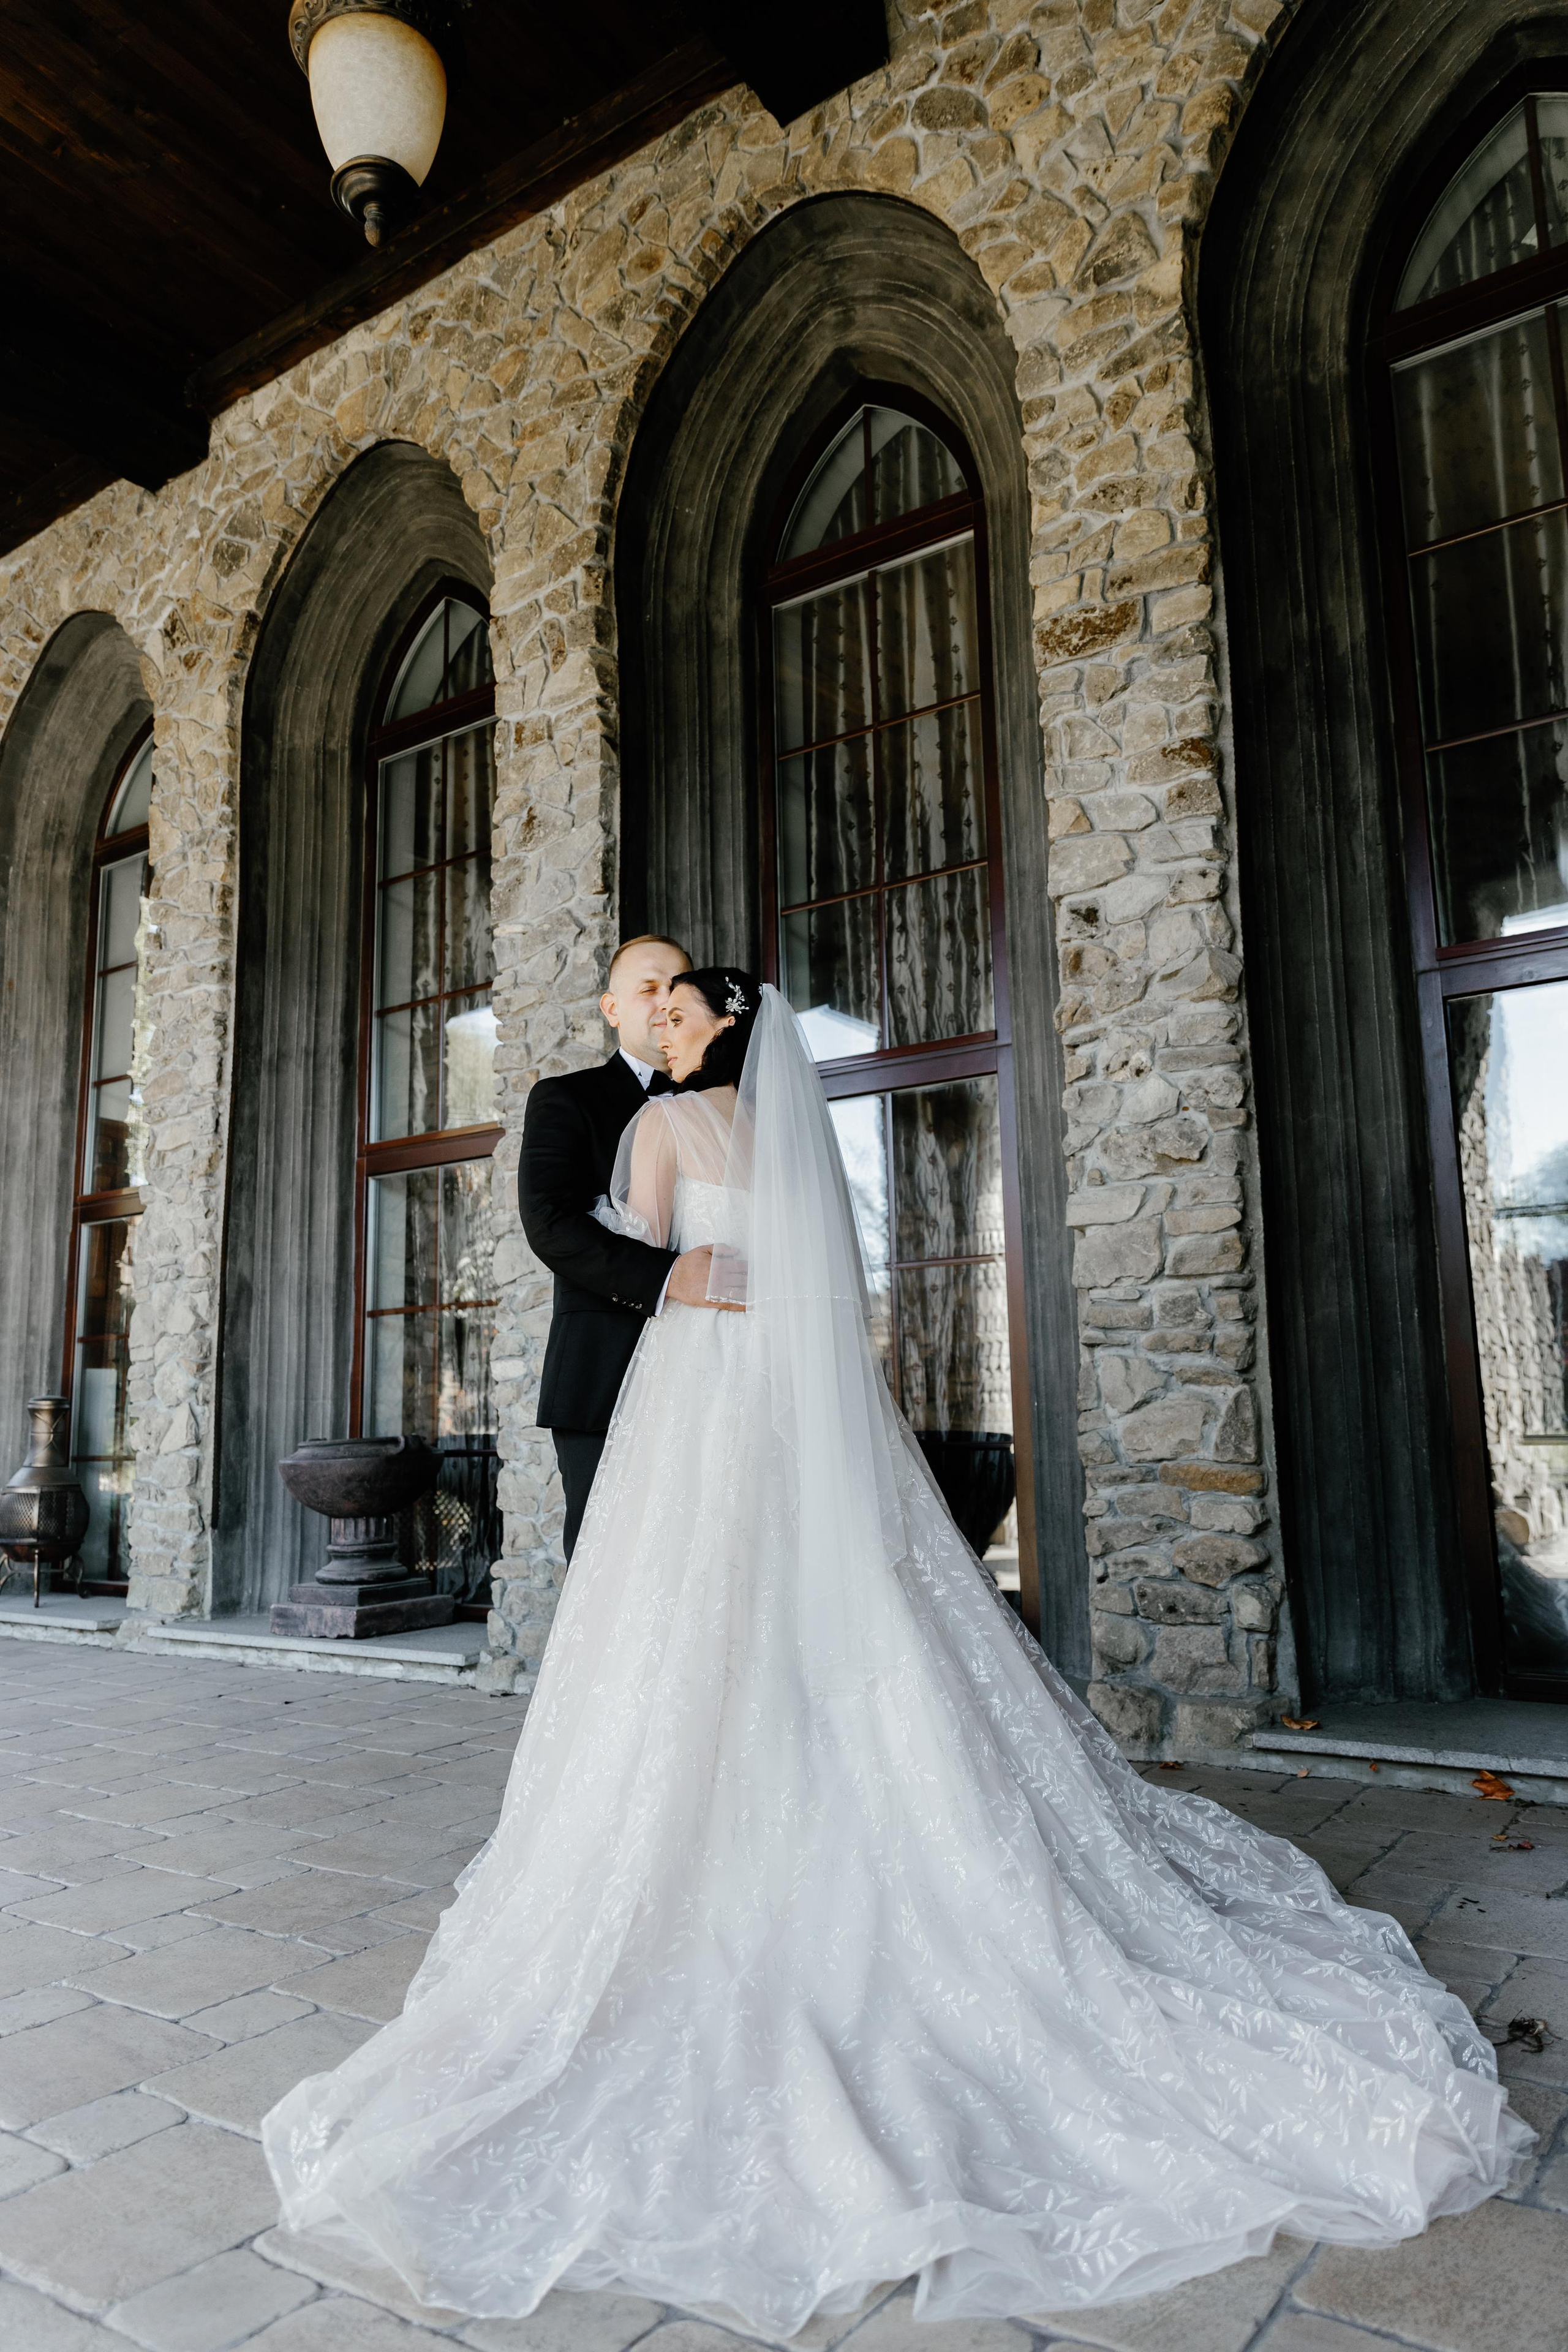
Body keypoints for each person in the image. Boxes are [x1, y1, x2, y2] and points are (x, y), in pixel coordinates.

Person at [263, 974, 1531, 2335]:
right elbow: (720, 1258)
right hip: (794, 1397)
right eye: (653, 998)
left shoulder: (666, 1130)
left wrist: (684, 1267)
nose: (665, 1017)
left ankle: (699, 1830)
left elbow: (602, 1248)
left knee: (680, 1622)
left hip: (694, 1395)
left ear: (706, 1029)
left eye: (680, 1003)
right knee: (823, 1614)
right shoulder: (774, 1131)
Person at [516, 933, 728, 1558]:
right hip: (605, 1370)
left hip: (723, 1368)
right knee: (610, 1562)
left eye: (680, 988)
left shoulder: (731, 1110)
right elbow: (551, 1222)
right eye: (649, 987)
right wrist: (669, 1277)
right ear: (612, 1008)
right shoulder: (567, 1098)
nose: (667, 1001)